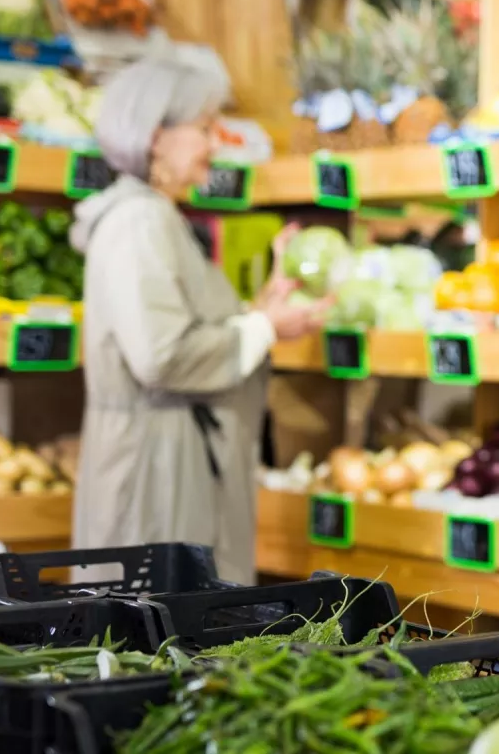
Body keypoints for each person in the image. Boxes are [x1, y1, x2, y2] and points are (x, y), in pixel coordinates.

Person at [70, 55, 328, 584]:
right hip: (156, 473)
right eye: (205, 129)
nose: (216, 144)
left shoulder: (156, 217)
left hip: (172, 462)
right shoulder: (139, 222)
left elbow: (179, 327)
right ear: (157, 135)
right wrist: (264, 328)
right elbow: (161, 356)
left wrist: (261, 310)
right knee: (152, 640)